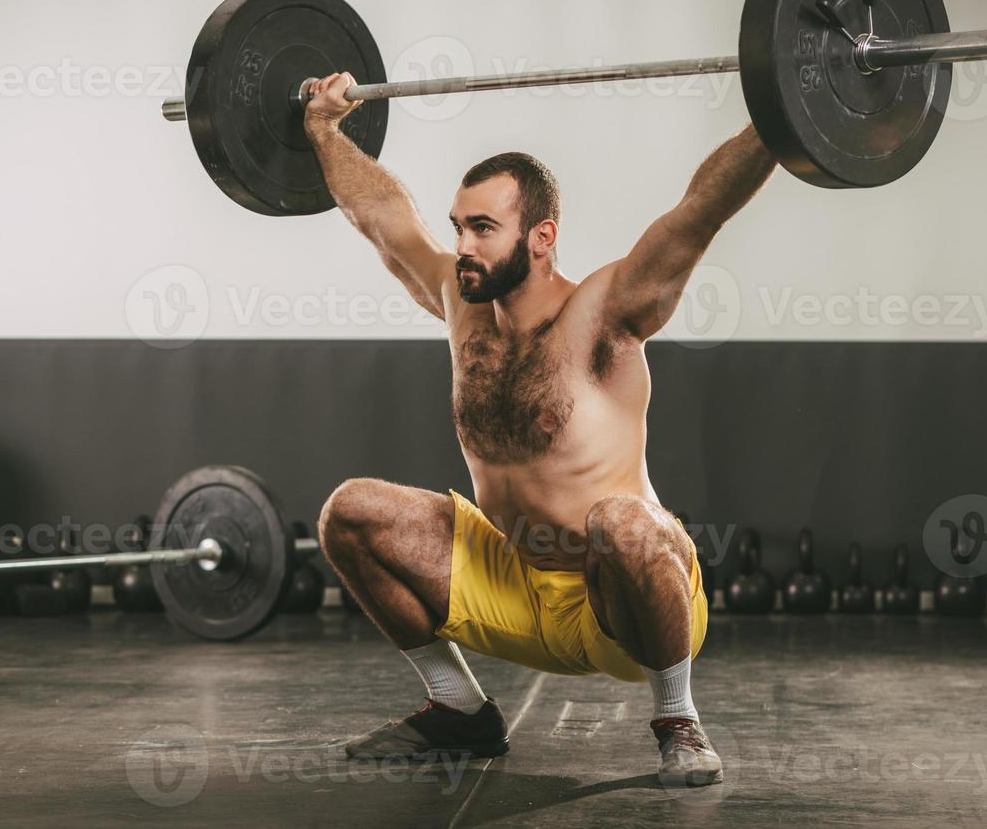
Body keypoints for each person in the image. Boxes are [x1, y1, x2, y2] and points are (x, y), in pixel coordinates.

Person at [306, 72, 774, 787]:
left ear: (541, 237)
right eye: (460, 225)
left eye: (483, 229)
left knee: (625, 522)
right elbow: (380, 216)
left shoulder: (605, 314)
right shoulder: (461, 306)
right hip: (517, 587)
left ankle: (677, 717)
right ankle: (461, 711)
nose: (462, 244)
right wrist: (322, 131)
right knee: (351, 514)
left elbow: (701, 210)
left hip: (625, 605)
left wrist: (780, 118)